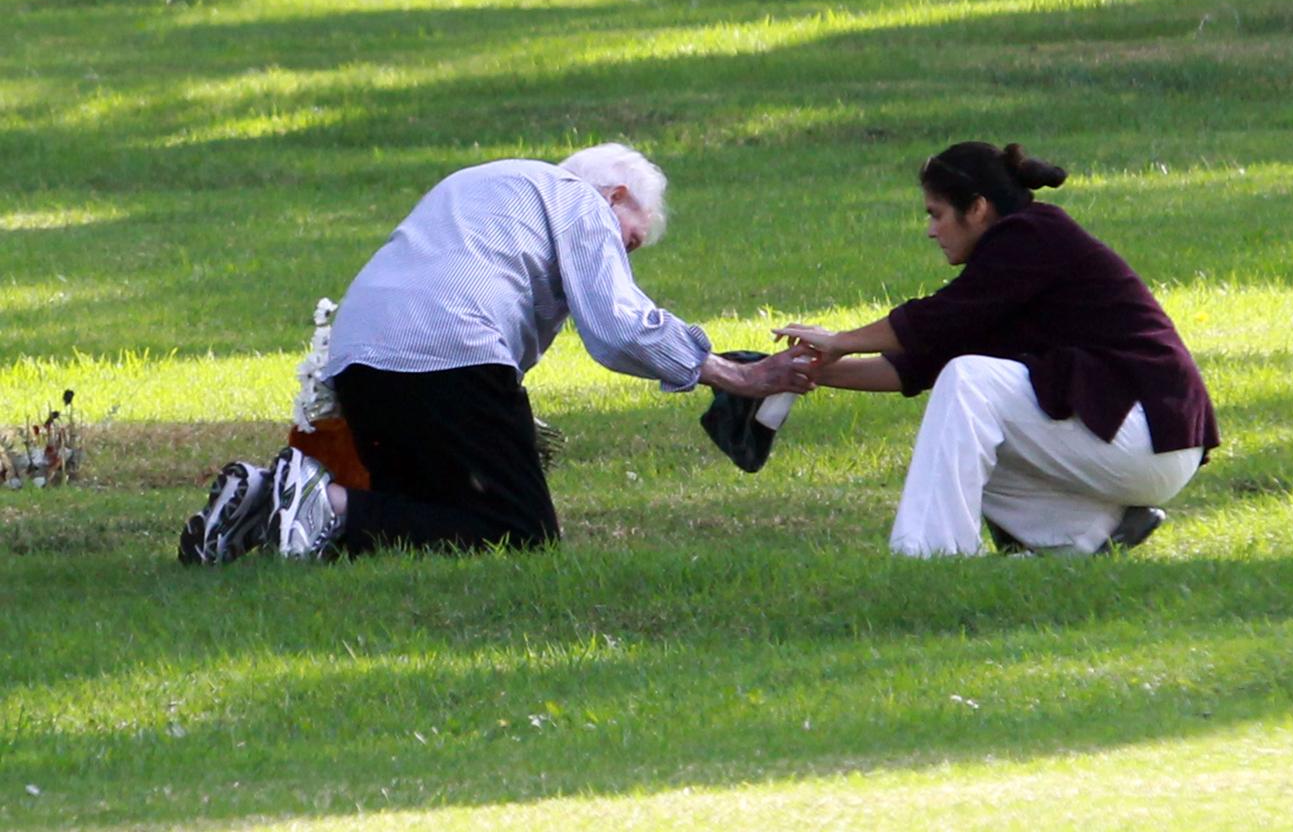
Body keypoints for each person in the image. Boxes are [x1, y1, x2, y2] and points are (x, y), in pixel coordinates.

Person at [183, 144, 814, 564]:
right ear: (616, 196)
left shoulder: (488, 181)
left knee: (428, 521)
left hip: (358, 358)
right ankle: (326, 498)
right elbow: (617, 326)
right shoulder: (579, 200)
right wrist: (736, 373)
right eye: (630, 242)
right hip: (448, 351)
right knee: (522, 532)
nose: (622, 256)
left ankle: (268, 502)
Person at [774, 141, 1218, 557]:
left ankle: (929, 555)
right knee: (963, 436)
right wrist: (805, 371)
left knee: (968, 383)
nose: (931, 231)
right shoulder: (1010, 260)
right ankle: (1093, 534)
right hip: (1140, 442)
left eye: (937, 214)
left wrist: (839, 340)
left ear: (978, 208)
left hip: (1150, 432)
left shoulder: (1032, 234)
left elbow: (938, 318)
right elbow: (916, 364)